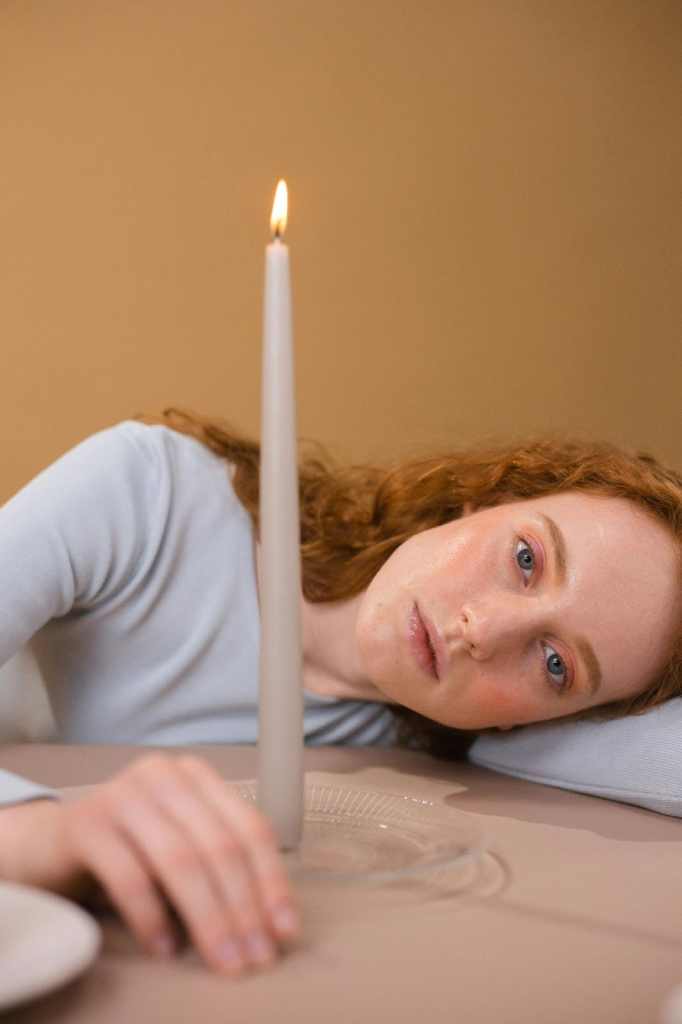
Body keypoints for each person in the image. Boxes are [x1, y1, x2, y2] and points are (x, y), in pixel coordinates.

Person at [0, 406, 681, 978]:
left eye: (556, 665)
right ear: (484, 498)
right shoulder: (151, 495)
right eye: (526, 559)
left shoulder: (435, 745)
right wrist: (42, 836)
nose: (487, 631)